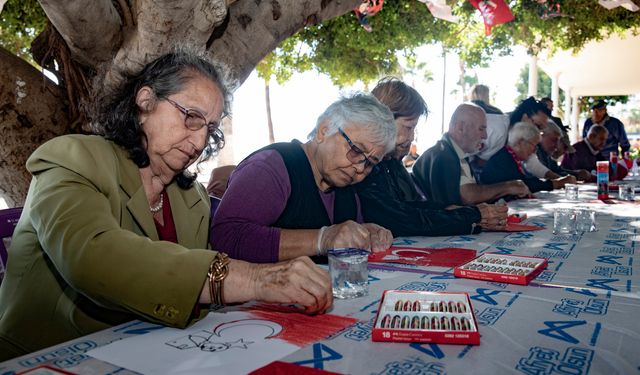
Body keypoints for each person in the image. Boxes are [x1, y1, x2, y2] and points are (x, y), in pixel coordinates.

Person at [0, 51, 332, 361]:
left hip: (149, 354)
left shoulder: (192, 199)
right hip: (47, 357)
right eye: (190, 117)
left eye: (210, 128)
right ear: (145, 102)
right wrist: (257, 279)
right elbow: (91, 257)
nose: (200, 142)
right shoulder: (72, 158)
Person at [211, 93, 396, 263]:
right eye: (355, 150)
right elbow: (226, 237)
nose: (359, 167)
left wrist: (364, 233)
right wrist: (321, 239)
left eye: (370, 162)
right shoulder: (270, 167)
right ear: (324, 130)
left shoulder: (347, 189)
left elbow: (343, 241)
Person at [355, 77, 508, 237]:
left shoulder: (390, 162)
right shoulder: (368, 164)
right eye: (409, 127)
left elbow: (410, 206)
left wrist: (453, 211)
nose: (412, 136)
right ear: (382, 120)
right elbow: (398, 219)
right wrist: (472, 215)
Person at [412, 103, 530, 206]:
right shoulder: (443, 155)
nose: (485, 136)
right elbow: (468, 196)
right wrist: (508, 187)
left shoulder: (455, 153)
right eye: (481, 129)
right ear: (461, 127)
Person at [481, 122, 575, 197]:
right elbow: (525, 185)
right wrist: (556, 183)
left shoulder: (510, 157)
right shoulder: (503, 159)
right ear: (521, 142)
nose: (534, 151)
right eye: (534, 145)